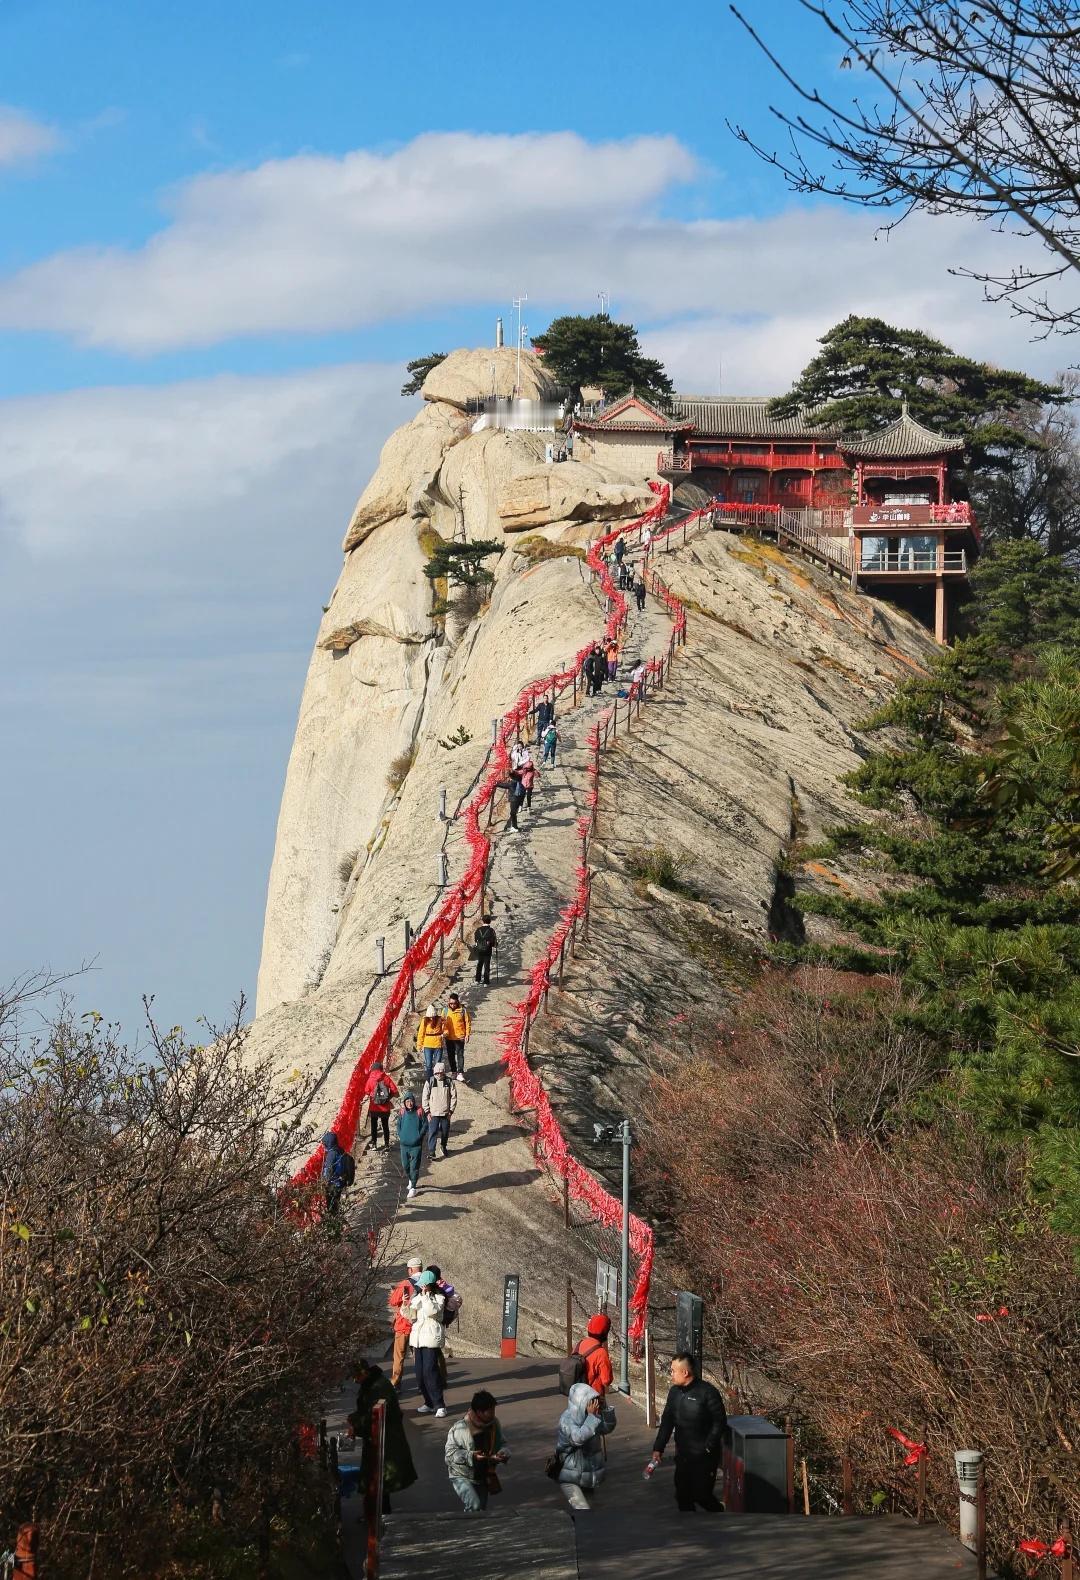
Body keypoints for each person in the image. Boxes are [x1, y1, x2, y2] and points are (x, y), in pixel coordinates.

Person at [650, 1352, 728, 1512]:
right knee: (682, 1496)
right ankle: (689, 1531)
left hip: (705, 1457)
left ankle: (719, 1514)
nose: (670, 1374)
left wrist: (708, 1446)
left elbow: (719, 1422)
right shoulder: (674, 1393)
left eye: (673, 1370)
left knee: (701, 1495)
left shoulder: (708, 1392)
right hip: (684, 1455)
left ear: (685, 1372)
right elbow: (667, 1422)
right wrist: (659, 1447)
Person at [348, 1357, 417, 1512]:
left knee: (377, 1480)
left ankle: (377, 1515)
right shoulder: (375, 1383)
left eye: (356, 1376)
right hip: (382, 1438)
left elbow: (371, 1417)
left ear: (363, 1373)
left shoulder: (377, 1387)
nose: (355, 1381)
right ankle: (376, 1513)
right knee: (378, 1481)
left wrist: (355, 1423)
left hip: (384, 1439)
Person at [445, 1390, 509, 1515]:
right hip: (461, 1475)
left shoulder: (494, 1424)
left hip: (482, 1475)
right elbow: (449, 1455)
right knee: (474, 1505)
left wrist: (503, 1452)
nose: (493, 1414)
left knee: (481, 1511)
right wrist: (471, 1456)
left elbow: (502, 1443)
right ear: (479, 1412)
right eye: (490, 1411)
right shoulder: (460, 1428)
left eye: (493, 1410)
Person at [554, 1383, 616, 1512]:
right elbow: (577, 1438)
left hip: (588, 1476)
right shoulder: (567, 1419)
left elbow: (606, 1428)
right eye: (590, 1402)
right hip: (570, 1476)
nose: (593, 1405)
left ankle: (578, 1528)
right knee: (582, 1509)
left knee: (588, 1513)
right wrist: (592, 1417)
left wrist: (605, 1409)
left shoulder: (591, 1416)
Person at [409, 1269, 447, 1416]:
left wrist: (425, 1297)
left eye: (423, 1285)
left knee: (430, 1372)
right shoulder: (419, 1297)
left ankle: (439, 1405)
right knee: (419, 1374)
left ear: (428, 1285)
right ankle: (428, 1402)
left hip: (431, 1338)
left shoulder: (439, 1298)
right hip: (418, 1339)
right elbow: (410, 1314)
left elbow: (432, 1311)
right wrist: (407, 1305)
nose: (420, 1288)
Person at [388, 1256, 423, 1386]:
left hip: (403, 1325)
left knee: (399, 1357)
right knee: (419, 1358)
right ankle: (422, 1385)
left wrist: (393, 1293)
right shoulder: (427, 1284)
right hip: (419, 1326)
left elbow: (393, 1301)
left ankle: (396, 1383)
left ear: (410, 1270)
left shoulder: (405, 1284)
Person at [422, 1061, 458, 1159]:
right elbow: (425, 1097)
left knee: (445, 1131)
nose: (439, 1074)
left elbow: (454, 1097)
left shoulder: (449, 1081)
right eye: (437, 1073)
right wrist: (427, 1112)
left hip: (446, 1113)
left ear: (443, 1072)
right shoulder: (430, 1081)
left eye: (440, 1072)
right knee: (433, 1132)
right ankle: (431, 1151)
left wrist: (451, 1111)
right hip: (433, 1113)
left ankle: (443, 1146)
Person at [574, 1314, 614, 1399]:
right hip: (593, 1397)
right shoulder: (601, 1353)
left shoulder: (580, 1344)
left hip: (576, 1395)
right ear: (605, 1332)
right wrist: (609, 1365)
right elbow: (606, 1381)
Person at [396, 1094, 426, 1200]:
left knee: (414, 1167)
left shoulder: (419, 1111)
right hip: (404, 1145)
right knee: (405, 1166)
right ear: (404, 1102)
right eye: (407, 1101)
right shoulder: (402, 1112)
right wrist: (401, 1135)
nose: (410, 1103)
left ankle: (413, 1188)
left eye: (411, 1101)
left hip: (416, 1146)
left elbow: (425, 1125)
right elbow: (398, 1125)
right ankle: (411, 1179)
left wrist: (419, 1136)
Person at [362, 1063, 398, 1150]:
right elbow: (394, 1090)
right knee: (385, 1126)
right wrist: (388, 1097)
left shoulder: (370, 1079)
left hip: (374, 1107)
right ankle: (386, 1145)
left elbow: (366, 1091)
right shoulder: (386, 1078)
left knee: (374, 1126)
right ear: (381, 1069)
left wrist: (372, 1095)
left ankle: (374, 1144)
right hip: (385, 1107)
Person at [320, 1130, 353, 1216]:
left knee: (331, 1207)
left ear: (328, 1143)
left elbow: (328, 1171)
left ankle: (335, 1224)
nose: (323, 1146)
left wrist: (324, 1181)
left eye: (324, 1144)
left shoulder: (331, 1154)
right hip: (340, 1182)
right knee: (336, 1203)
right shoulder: (340, 1149)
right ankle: (337, 1219)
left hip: (333, 1184)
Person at [442, 992, 472, 1081]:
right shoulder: (445, 1011)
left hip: (460, 1037)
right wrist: (443, 1032)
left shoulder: (463, 1010)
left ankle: (460, 1072)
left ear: (457, 1002)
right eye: (451, 1003)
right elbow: (442, 1023)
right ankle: (454, 1072)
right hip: (449, 1037)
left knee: (460, 1055)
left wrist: (467, 1034)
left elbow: (468, 1022)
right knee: (451, 1056)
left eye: (454, 1003)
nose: (452, 1005)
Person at [415, 1003, 445, 1081]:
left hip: (438, 1044)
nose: (431, 1018)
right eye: (430, 1017)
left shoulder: (440, 1019)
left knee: (437, 1064)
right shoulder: (424, 1020)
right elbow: (421, 1033)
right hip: (427, 1045)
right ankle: (429, 1079)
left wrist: (444, 1034)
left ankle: (437, 1079)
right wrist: (419, 1045)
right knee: (428, 1064)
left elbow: (445, 1029)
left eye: (432, 1017)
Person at [473, 918, 497, 984]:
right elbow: (493, 941)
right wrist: (494, 945)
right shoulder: (491, 930)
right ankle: (486, 982)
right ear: (490, 921)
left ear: (483, 921)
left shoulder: (478, 930)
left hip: (479, 949)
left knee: (479, 964)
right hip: (487, 950)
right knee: (486, 965)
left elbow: (475, 939)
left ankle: (477, 980)